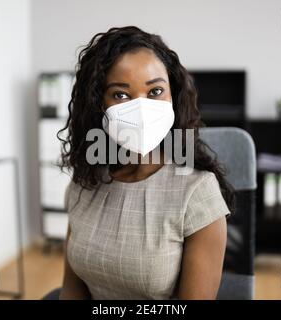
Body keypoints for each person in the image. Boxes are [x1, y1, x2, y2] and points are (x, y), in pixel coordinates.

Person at [57, 26, 235, 300]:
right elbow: (72, 290)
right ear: (98, 106)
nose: (141, 109)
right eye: (120, 95)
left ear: (173, 96)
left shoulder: (197, 193)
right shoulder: (85, 182)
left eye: (155, 92)